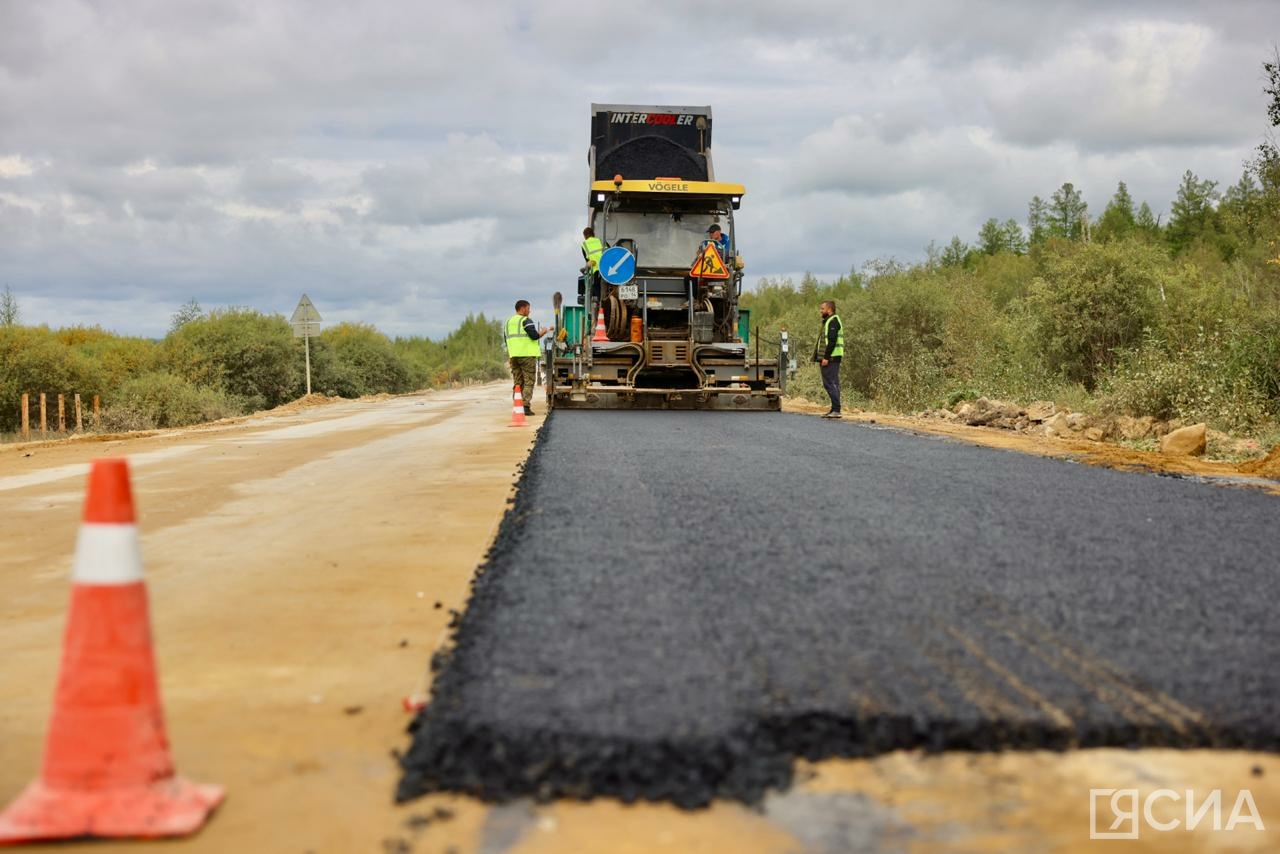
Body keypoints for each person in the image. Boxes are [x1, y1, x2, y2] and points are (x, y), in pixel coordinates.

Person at [506, 300, 550, 415]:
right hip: (526, 356)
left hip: (513, 356)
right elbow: (534, 336)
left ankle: (517, 405)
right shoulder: (525, 320)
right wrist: (543, 331)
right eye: (528, 308)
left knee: (517, 381)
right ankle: (525, 406)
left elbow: (506, 340)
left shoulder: (508, 322)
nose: (529, 311)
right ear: (522, 308)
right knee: (529, 381)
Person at [813, 299, 844, 418]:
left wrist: (826, 357)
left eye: (822, 309)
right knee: (831, 383)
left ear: (829, 309)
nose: (820, 311)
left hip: (831, 358)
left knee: (830, 383)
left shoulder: (833, 321)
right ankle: (834, 409)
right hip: (830, 357)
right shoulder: (829, 321)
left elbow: (832, 341)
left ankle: (836, 410)